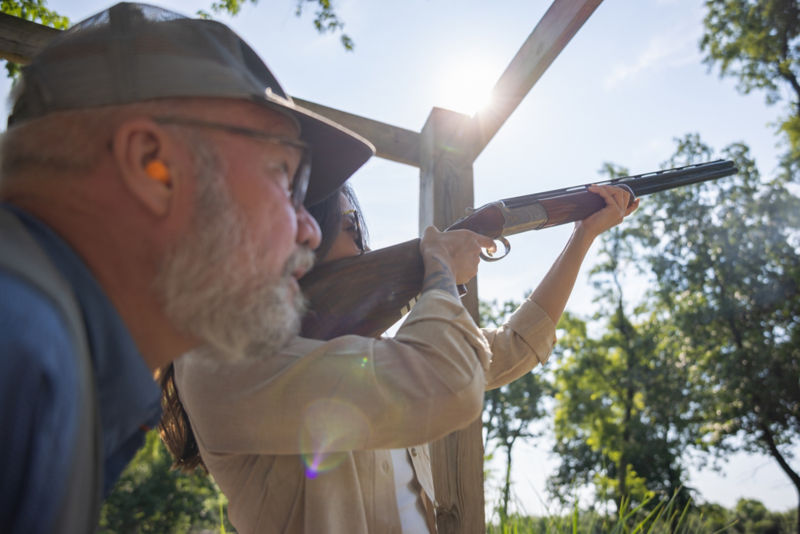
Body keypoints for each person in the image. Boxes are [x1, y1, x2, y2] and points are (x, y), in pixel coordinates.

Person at [0, 3, 374, 533]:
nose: (311, 231)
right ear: (154, 165)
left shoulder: (56, 358)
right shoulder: (19, 347)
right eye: (286, 177)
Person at [162, 175, 638, 532]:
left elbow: (512, 347)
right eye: (347, 225)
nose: (362, 241)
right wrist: (439, 275)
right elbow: (447, 379)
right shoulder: (217, 363)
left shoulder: (369, 353)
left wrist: (583, 235)